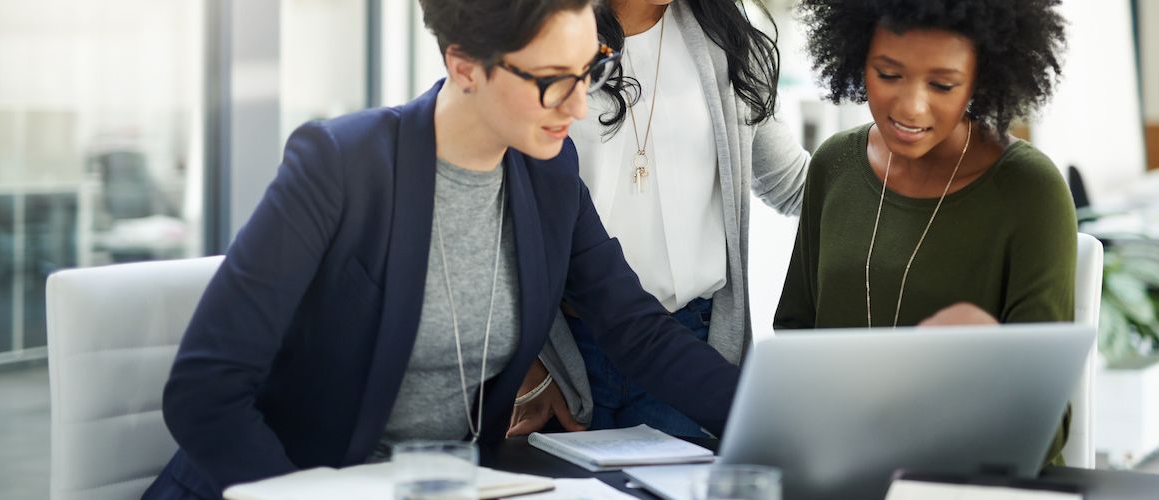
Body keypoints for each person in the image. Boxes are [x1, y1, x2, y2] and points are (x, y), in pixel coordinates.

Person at [141, 1, 743, 498]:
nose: (580, 105)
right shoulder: (340, 166)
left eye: (591, 71)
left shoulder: (549, 173)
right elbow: (204, 390)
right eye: (553, 80)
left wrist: (765, 422)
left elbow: (637, 331)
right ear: (465, 66)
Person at [775, 0, 1075, 464]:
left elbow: (1046, 424)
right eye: (889, 74)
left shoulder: (1029, 191)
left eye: (942, 84)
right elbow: (794, 340)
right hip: (841, 469)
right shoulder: (834, 165)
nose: (911, 106)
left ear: (983, 77)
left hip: (973, 482)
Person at [508, 0, 809, 438]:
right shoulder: (544, 37)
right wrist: (524, 363)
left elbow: (795, 185)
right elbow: (493, 216)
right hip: (563, 352)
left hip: (687, 347)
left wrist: (909, 164)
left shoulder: (728, 39)